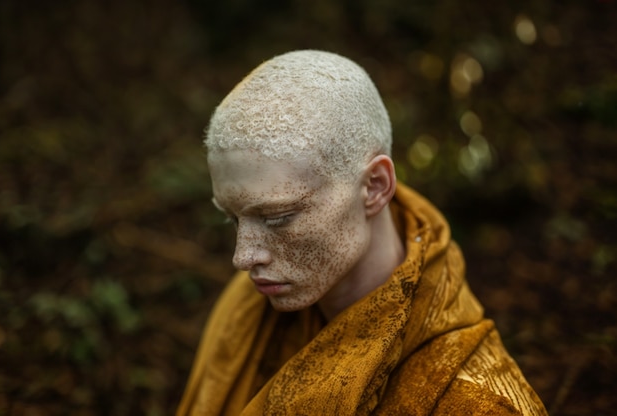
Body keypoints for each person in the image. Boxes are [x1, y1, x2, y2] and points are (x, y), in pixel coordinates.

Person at [177, 50, 548, 415]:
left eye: (278, 217)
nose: (243, 257)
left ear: (374, 187)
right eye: (233, 218)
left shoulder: (475, 403)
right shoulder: (246, 306)